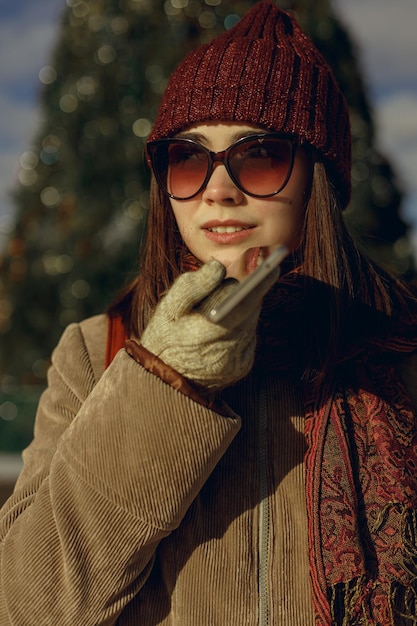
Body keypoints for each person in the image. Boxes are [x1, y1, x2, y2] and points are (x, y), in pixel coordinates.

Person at [1, 2, 417, 624]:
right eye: (189, 158)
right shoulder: (98, 350)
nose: (219, 188)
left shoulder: (399, 352)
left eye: (259, 156)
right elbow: (25, 604)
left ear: (316, 177)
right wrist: (165, 382)